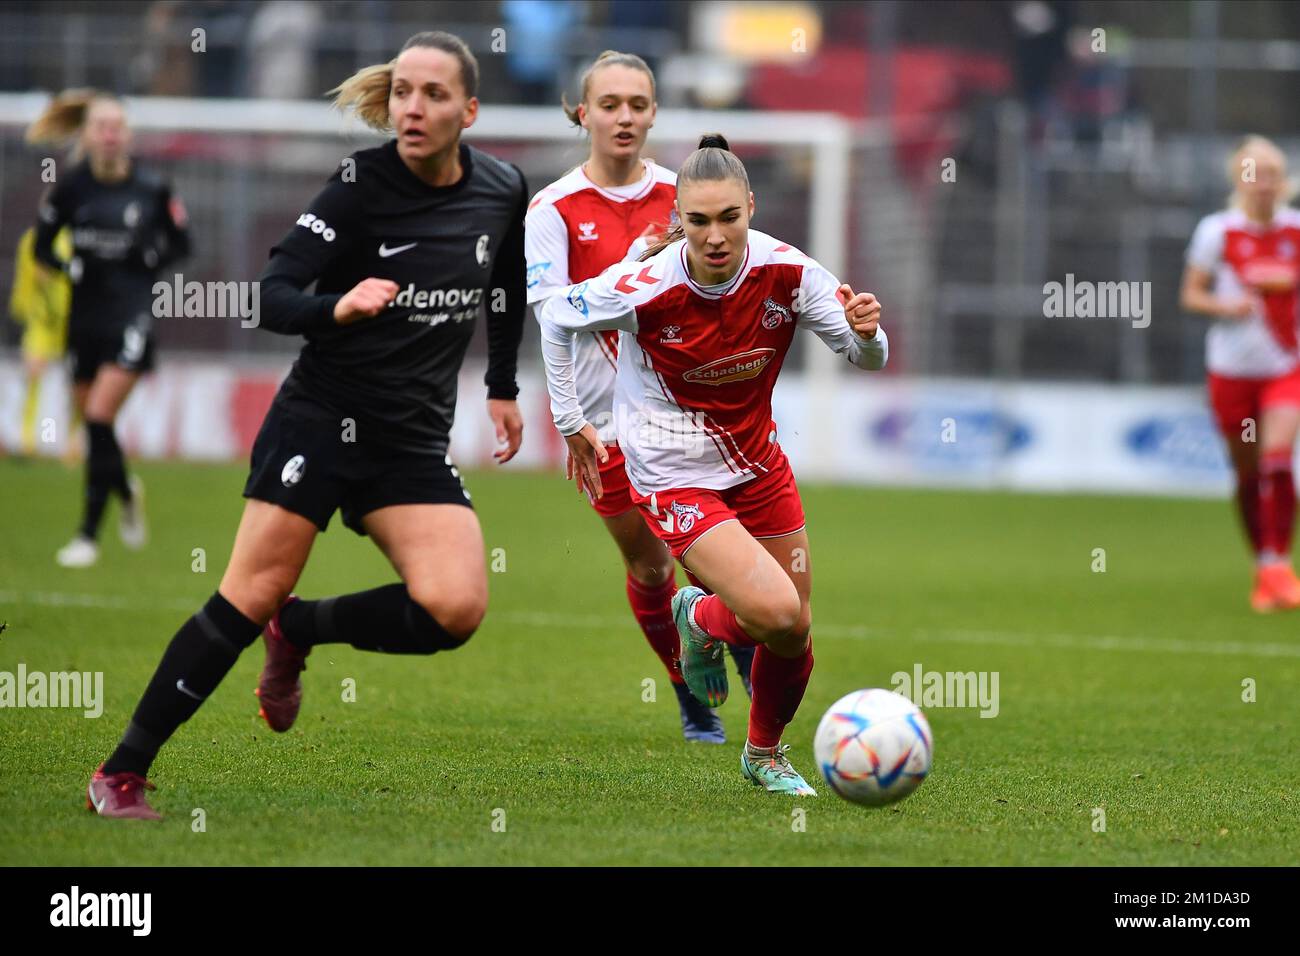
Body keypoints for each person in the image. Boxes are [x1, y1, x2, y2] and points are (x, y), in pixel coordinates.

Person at [86, 31, 528, 820]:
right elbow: (269, 294)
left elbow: (503, 278)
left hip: (409, 439)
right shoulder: (359, 186)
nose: (412, 108)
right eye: (402, 92)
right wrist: (339, 306)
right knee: (249, 590)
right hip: (321, 421)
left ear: (470, 108)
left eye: (432, 94)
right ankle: (122, 771)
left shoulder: (501, 188)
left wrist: (501, 385)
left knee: (454, 608)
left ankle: (301, 629)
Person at [539, 135, 887, 794]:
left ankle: (762, 753)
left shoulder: (790, 274)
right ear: (679, 218)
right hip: (670, 470)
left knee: (794, 628)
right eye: (698, 221)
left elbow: (866, 357)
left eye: (729, 216)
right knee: (778, 613)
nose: (716, 234)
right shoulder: (645, 285)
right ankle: (699, 618)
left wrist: (867, 334)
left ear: (751, 206)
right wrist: (570, 420)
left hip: (757, 462)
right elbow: (558, 319)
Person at [526, 52, 752, 744]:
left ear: (654, 113)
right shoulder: (554, 209)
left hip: (686, 414)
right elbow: (552, 317)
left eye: (638, 104)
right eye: (610, 104)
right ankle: (690, 696)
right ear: (583, 112)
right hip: (602, 425)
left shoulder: (684, 196)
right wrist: (568, 422)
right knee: (650, 565)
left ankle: (753, 669)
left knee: (718, 559)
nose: (624, 116)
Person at [27, 90, 192, 566]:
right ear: (87, 134)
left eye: (117, 125)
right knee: (98, 430)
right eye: (101, 126)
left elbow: (183, 243)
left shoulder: (153, 187)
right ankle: (124, 486)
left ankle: (87, 536)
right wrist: (66, 269)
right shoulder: (69, 189)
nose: (109, 134)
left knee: (99, 418)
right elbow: (41, 248)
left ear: (128, 135)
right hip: (85, 318)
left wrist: (152, 258)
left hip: (133, 315)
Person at [1182, 135, 1300, 612]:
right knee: (1248, 473)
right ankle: (1262, 564)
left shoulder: (1296, 230)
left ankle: (1279, 566)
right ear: (1239, 181)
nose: (1263, 185)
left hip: (1285, 365)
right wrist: (1223, 305)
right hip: (1231, 369)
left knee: (1277, 458)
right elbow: (1190, 295)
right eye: (1254, 175)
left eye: (1271, 174)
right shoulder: (1217, 231)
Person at [7, 225, 76, 460]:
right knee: (34, 374)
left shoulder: (75, 239)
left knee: (78, 382)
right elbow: (25, 278)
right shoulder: (31, 239)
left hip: (71, 320)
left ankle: (72, 443)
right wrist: (21, 309)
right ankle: (27, 439)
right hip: (41, 320)